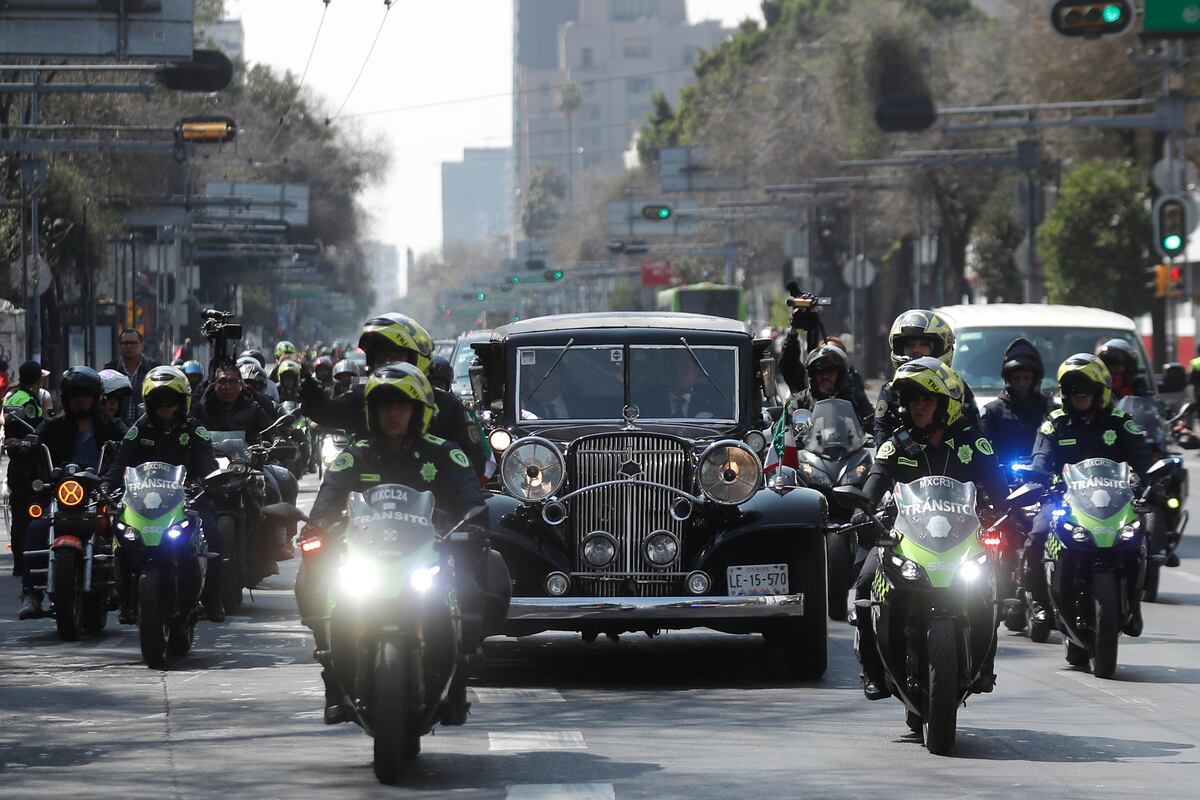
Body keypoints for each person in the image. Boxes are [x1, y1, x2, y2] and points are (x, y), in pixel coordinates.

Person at [297, 363, 497, 725]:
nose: (393, 412)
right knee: (320, 589)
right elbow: (326, 502)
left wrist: (474, 527)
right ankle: (335, 684)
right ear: (372, 411)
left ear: (418, 410)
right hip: (365, 557)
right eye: (385, 404)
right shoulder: (355, 455)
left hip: (430, 555)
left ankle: (456, 687)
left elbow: (472, 502)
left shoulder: (444, 454)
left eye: (402, 404)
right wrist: (315, 528)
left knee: (467, 592)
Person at [853, 357, 1007, 700]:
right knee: (864, 585)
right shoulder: (895, 446)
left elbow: (1000, 490)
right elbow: (874, 485)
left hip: (962, 541)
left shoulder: (973, 445)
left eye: (927, 400)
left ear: (945, 405)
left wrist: (1007, 507)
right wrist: (861, 509)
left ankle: (983, 666)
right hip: (905, 539)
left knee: (993, 587)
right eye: (912, 400)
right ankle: (873, 670)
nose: (918, 407)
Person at [1026, 354, 1153, 636]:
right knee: (1037, 534)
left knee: (1141, 539)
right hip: (1064, 500)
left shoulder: (1120, 422)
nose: (1079, 395)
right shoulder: (1054, 423)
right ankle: (1038, 603)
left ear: (1100, 391)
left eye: (1085, 388)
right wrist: (1037, 475)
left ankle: (1133, 605)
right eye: (1072, 388)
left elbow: (1143, 458)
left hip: (1115, 502)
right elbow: (1041, 459)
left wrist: (1154, 477)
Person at [298, 313, 488, 475]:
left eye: (395, 357)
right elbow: (331, 412)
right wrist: (315, 401)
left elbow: (476, 462)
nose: (393, 413)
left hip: (435, 509)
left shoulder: (448, 405)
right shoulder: (362, 397)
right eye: (381, 358)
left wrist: (444, 479)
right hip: (370, 508)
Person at [103, 366, 222, 623]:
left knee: (213, 531)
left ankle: (213, 598)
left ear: (182, 403)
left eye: (171, 403)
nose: (165, 409)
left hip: (188, 499)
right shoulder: (139, 429)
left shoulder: (195, 429)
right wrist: (106, 486)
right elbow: (121, 462)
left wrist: (211, 483)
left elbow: (207, 465)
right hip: (144, 501)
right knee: (118, 538)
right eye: (159, 403)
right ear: (149, 403)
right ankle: (124, 598)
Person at [18, 368, 127, 619]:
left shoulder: (110, 426)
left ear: (95, 397)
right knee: (37, 525)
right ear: (66, 398)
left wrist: (134, 441)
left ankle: (124, 588)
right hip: (62, 492)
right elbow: (35, 439)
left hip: (101, 491)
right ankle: (31, 593)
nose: (80, 400)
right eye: (74, 395)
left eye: (85, 395)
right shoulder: (54, 426)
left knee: (122, 527)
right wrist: (23, 445)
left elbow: (130, 438)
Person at [874, 309, 978, 442]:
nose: (916, 350)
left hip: (950, 459)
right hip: (906, 460)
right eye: (909, 345)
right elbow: (882, 437)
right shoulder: (891, 389)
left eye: (923, 344)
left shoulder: (956, 385)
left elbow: (975, 434)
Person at [4, 360, 49, 577]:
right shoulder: (28, 401)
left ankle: (19, 563)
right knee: (28, 513)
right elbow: (38, 430)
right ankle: (26, 561)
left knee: (19, 514)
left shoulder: (14, 397)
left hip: (18, 466)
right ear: (37, 379)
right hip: (27, 467)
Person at [980, 338, 1054, 467]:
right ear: (1008, 379)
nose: (1021, 383)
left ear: (1035, 379)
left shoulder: (1049, 409)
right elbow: (980, 448)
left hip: (1042, 476)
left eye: (1026, 378)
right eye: (1016, 378)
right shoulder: (993, 411)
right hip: (1004, 479)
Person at [790, 343, 874, 427]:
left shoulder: (855, 398)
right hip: (809, 440)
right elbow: (783, 428)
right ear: (813, 375)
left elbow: (876, 424)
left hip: (849, 440)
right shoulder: (800, 401)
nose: (825, 376)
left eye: (831, 371)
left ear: (840, 374)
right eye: (820, 371)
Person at [104, 328, 159, 426]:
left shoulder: (154, 369)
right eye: (125, 343)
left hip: (147, 426)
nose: (129, 346)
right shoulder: (110, 370)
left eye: (133, 343)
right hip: (116, 427)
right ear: (119, 346)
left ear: (141, 345)